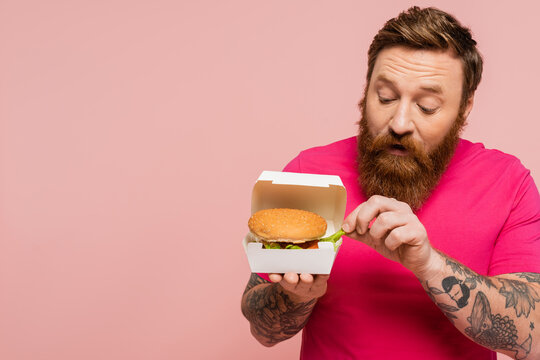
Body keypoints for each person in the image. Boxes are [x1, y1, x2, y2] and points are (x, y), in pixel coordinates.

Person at [241, 6, 540, 360]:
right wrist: (295, 297)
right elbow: (262, 329)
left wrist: (428, 264)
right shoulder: (309, 174)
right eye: (385, 97)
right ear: (366, 90)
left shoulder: (507, 183)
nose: (399, 122)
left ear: (465, 106)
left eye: (427, 106)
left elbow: (533, 338)